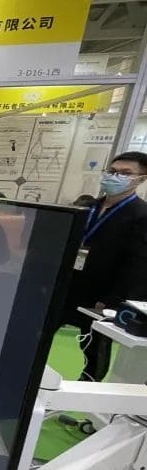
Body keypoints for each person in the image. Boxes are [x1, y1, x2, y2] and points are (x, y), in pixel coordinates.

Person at [60, 152, 147, 381]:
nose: (115, 177)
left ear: (141, 179)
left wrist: (112, 299)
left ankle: (88, 384)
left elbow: (138, 265)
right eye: (112, 171)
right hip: (69, 284)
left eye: (125, 173)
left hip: (102, 294)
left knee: (93, 346)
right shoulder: (88, 207)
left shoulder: (141, 214)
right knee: (38, 334)